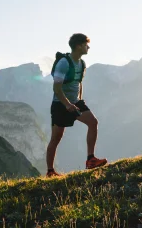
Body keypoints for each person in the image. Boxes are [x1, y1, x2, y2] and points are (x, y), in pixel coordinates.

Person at [46, 33, 107, 177]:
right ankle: (50, 171)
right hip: (60, 104)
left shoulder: (81, 63)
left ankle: (90, 159)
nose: (88, 47)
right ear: (79, 46)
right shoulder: (64, 63)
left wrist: (79, 99)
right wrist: (67, 104)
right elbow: (56, 88)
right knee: (56, 138)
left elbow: (79, 82)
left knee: (93, 122)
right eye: (86, 45)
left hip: (76, 102)